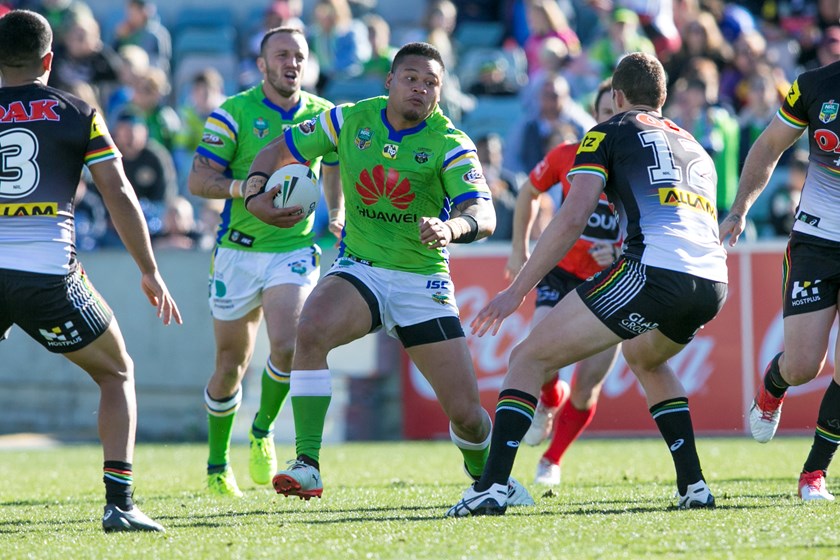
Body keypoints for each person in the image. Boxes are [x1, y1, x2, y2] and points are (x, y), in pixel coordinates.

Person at [243, 41, 533, 506]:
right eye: (412, 78)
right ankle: (308, 463)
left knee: (467, 417)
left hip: (422, 281)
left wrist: (451, 226)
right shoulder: (349, 119)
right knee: (310, 328)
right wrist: (255, 193)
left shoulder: (450, 142)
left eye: (431, 83)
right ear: (390, 81)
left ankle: (490, 481)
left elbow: (484, 213)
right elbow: (279, 148)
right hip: (362, 268)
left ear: (440, 92)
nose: (420, 88)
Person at [447, 52, 728, 516]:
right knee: (645, 358)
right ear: (662, 98)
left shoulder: (608, 130)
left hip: (654, 269)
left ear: (615, 97)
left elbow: (571, 218)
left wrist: (516, 289)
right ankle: (694, 486)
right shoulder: (694, 144)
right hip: (712, 280)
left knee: (526, 359)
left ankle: (491, 487)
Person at [0, 10, 181, 531]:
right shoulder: (78, 111)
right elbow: (118, 192)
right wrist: (149, 269)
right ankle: (119, 504)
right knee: (116, 371)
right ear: (49, 61)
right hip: (49, 278)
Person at [187, 27, 341, 498]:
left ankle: (262, 429)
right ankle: (216, 466)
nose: (291, 62)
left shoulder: (323, 115)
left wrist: (334, 212)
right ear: (261, 65)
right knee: (231, 362)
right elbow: (198, 179)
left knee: (290, 345)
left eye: (299, 55)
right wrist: (246, 189)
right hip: (236, 251)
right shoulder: (233, 113)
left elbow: (332, 163)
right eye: (281, 55)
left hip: (292, 250)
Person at [719, 56, 840, 502]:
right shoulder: (814, 85)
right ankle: (773, 388)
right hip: (816, 242)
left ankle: (814, 474)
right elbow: (770, 145)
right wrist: (739, 207)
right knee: (805, 365)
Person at [509, 79, 622, 485]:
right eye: (607, 113)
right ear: (595, 117)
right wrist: (518, 250)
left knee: (587, 388)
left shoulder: (639, 167)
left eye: (619, 112)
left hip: (616, 282)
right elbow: (528, 193)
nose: (614, 120)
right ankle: (547, 397)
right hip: (562, 273)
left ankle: (552, 459)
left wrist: (624, 254)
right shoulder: (568, 155)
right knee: (538, 350)